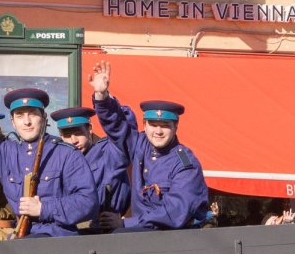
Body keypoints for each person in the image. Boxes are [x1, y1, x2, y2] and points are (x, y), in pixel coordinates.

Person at [0, 78, 96, 237]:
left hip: (57, 240)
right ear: (12, 121)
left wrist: (43, 208)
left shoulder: (66, 154)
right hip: (20, 236)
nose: (27, 122)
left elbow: (88, 201)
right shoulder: (4, 152)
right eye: (19, 116)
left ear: (44, 118)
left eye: (32, 114)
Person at [88, 61, 211, 231]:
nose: (158, 131)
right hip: (143, 234)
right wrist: (102, 96)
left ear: (176, 127)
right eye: (153, 125)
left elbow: (175, 212)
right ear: (144, 126)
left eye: (165, 125)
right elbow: (117, 127)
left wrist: (126, 223)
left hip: (174, 238)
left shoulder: (184, 162)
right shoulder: (140, 144)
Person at [50, 105, 130, 221]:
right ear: (61, 136)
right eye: (67, 135)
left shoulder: (108, 154)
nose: (74, 141)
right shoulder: (57, 162)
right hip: (69, 230)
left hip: (104, 229)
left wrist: (104, 101)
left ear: (90, 129)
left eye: (78, 133)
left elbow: (121, 134)